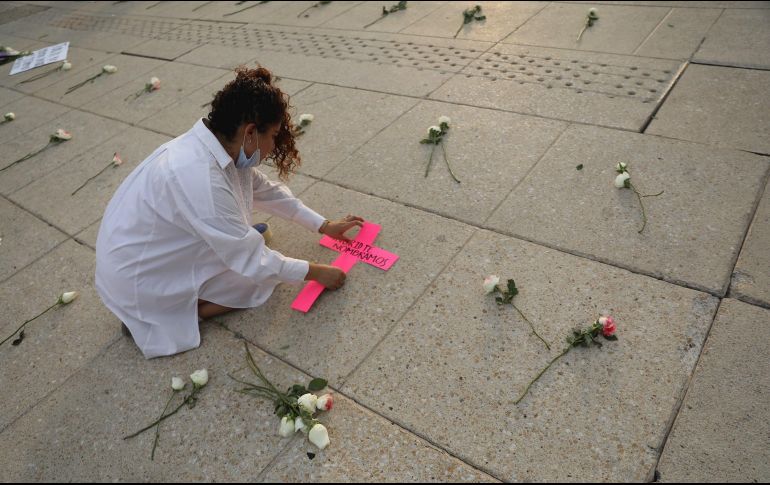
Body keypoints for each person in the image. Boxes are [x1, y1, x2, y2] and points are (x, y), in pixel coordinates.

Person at [95, 66, 363, 359]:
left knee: (249, 250)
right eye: (273, 135)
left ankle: (228, 239)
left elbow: (267, 191)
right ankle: (165, 319)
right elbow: (252, 261)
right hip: (139, 276)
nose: (274, 145)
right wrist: (315, 272)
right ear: (250, 132)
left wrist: (324, 225)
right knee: (257, 283)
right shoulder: (199, 176)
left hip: (142, 251)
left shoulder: (218, 144)